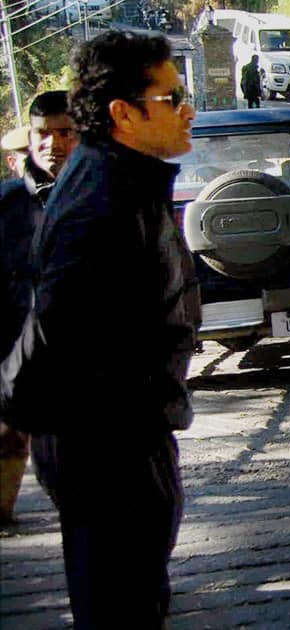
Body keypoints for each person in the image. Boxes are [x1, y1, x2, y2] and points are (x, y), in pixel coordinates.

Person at [5, 31, 200, 628]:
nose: (187, 109)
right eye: (171, 97)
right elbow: (53, 323)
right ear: (124, 113)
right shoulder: (100, 197)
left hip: (124, 434)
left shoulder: (122, 179)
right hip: (107, 446)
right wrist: (16, 404)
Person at [0, 90, 79, 522]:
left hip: (82, 364)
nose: (54, 144)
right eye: (43, 135)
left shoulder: (101, 198)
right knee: (11, 443)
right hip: (16, 352)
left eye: (65, 133)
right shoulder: (8, 205)